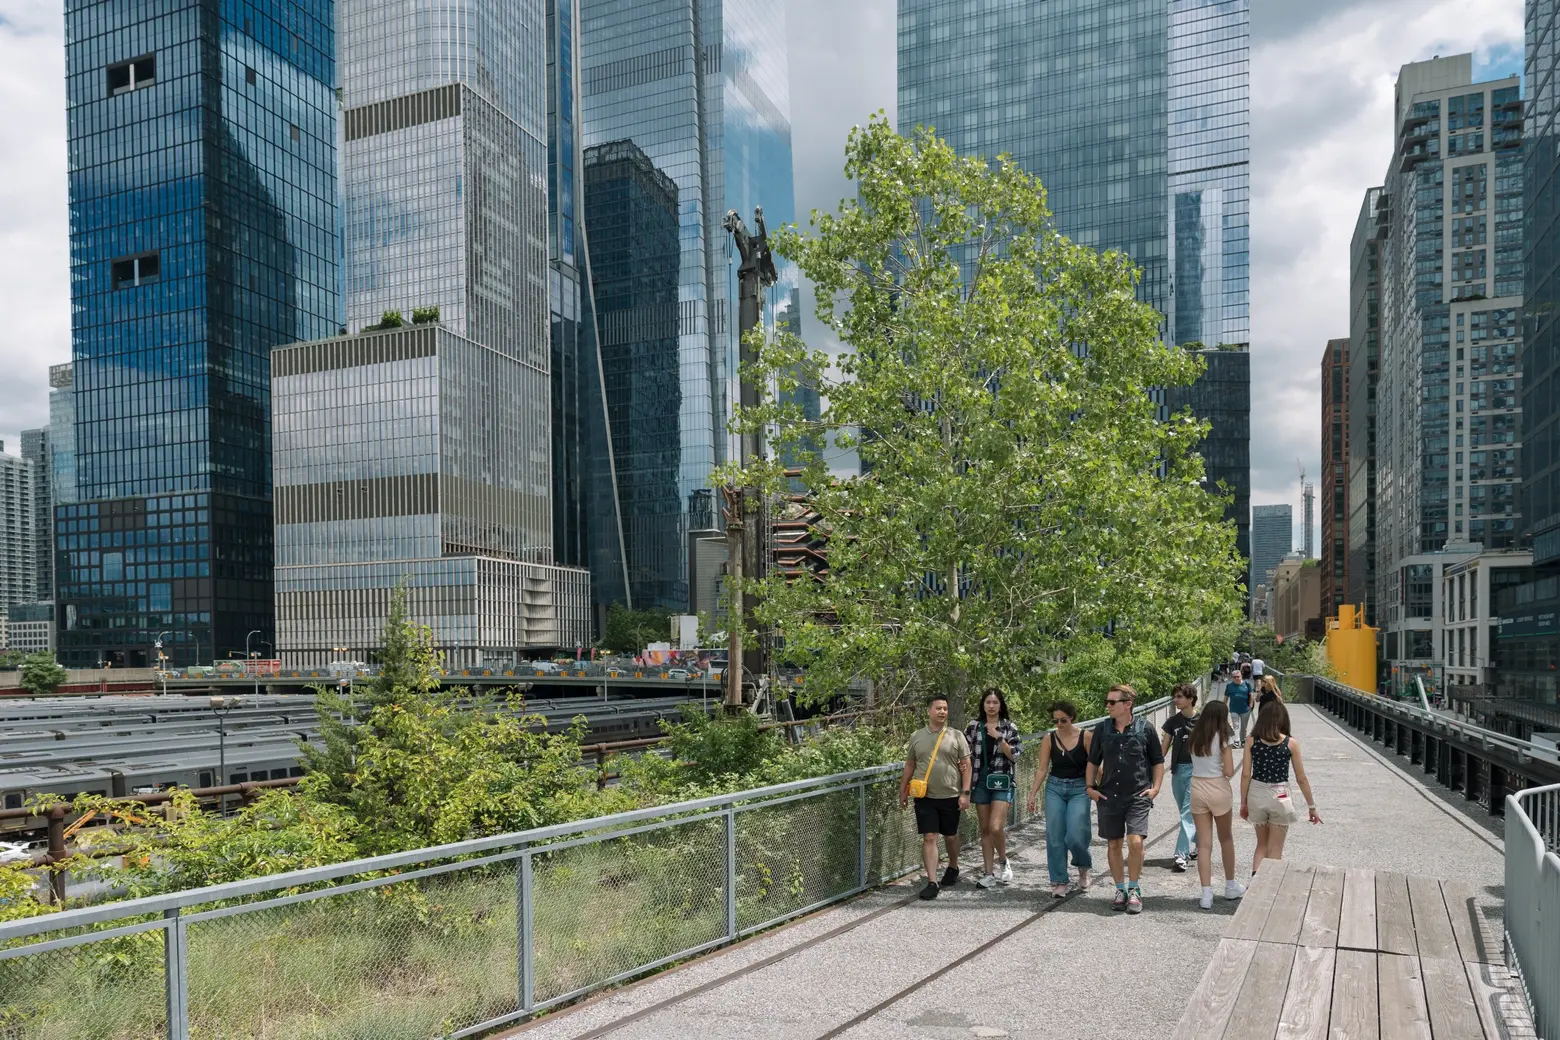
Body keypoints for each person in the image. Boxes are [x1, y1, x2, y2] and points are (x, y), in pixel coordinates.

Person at [1087, 684, 1164, 914]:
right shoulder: (1102, 729)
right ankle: (1119, 889)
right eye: (1107, 702)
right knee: (1113, 844)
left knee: (1135, 842)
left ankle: (1134, 888)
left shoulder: (1145, 728)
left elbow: (1157, 761)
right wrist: (1090, 787)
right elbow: (1092, 761)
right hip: (1109, 795)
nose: (1107, 706)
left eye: (1112, 702)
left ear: (1127, 704)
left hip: (1137, 795)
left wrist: (1156, 788)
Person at [900, 693, 973, 900]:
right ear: (929, 711)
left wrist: (965, 793)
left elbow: (967, 767)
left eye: (945, 709)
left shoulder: (956, 735)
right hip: (924, 796)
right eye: (938, 708)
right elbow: (910, 765)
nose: (942, 712)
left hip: (951, 794)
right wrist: (903, 789)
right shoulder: (917, 736)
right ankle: (932, 881)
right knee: (929, 836)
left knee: (950, 836)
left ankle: (953, 865)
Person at [1240, 701, 1322, 874]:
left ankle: (1255, 884)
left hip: (1256, 792)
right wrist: (1311, 807)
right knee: (1275, 849)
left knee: (1261, 845)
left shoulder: (1251, 741)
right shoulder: (1291, 743)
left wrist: (1243, 803)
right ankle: (1269, 887)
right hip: (1281, 794)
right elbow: (1301, 778)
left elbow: (1246, 774)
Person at [1027, 699, 1094, 898]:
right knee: (1054, 835)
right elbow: (1042, 769)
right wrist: (1032, 794)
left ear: (1071, 718)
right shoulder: (1049, 738)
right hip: (1055, 787)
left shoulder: (1086, 736)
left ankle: (1083, 865)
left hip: (1079, 788)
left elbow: (1095, 766)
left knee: (1075, 834)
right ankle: (1059, 880)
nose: (1058, 724)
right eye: (1055, 721)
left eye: (1063, 720)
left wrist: (1099, 788)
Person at [1187, 700, 1244, 908]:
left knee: (1203, 844)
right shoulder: (1223, 738)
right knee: (1226, 838)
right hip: (1218, 787)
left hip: (1197, 787)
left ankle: (1206, 894)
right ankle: (1230, 886)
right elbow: (1228, 770)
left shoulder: (1194, 737)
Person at [965, 689, 1021, 888]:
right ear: (983, 704)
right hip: (980, 781)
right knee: (985, 828)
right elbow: (965, 754)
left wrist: (999, 738)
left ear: (1000, 705)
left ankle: (1003, 861)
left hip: (1002, 781)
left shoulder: (1009, 727)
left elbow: (1014, 755)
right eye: (988, 702)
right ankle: (988, 873)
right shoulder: (973, 727)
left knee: (996, 827)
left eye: (995, 702)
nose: (991, 706)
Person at [1161, 683, 1199, 872]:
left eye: (1179, 697)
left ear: (1190, 699)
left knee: (1187, 812)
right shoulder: (1172, 722)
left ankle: (1180, 855)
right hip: (1177, 771)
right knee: (1186, 813)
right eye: (1174, 697)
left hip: (1197, 771)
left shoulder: (1202, 720)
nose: (1175, 700)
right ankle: (1201, 842)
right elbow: (1164, 748)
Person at [1225, 668, 1254, 748]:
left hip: (1245, 709)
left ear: (1241, 676)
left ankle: (1243, 740)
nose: (1236, 678)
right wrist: (1224, 706)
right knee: (1235, 725)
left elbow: (1251, 694)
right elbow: (1226, 697)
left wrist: (1251, 705)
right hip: (1234, 709)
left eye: (1238, 676)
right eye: (1235, 677)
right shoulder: (1229, 686)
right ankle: (1236, 741)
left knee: (1244, 727)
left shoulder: (1247, 684)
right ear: (1232, 678)